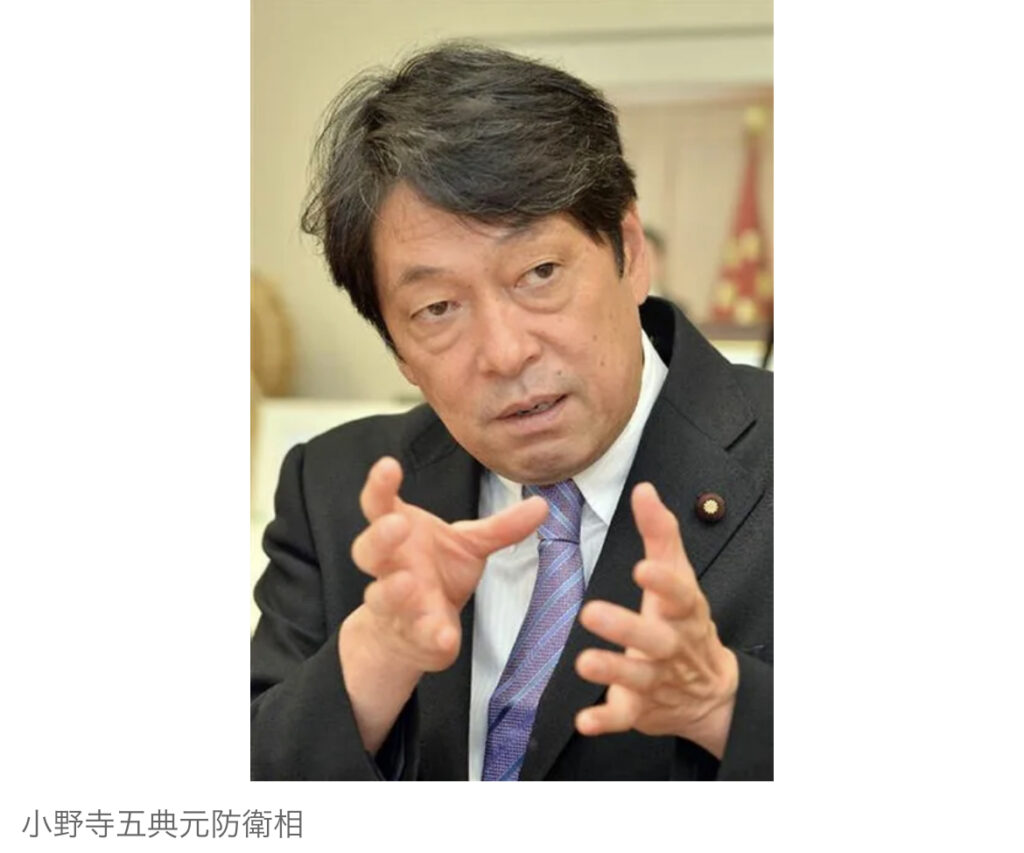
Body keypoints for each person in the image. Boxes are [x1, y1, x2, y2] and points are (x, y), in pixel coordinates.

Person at [250, 42, 772, 781]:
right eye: (437, 308)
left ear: (628, 252)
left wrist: (725, 706)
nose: (504, 352)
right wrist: (374, 658)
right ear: (398, 350)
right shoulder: (337, 489)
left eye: (539, 272)